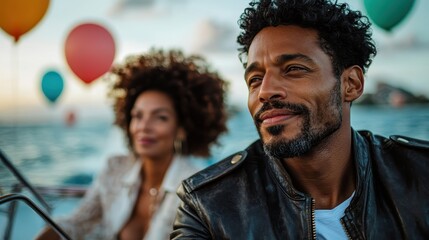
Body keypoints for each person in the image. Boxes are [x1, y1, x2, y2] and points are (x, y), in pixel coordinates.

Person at [171, 0, 429, 239]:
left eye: (294, 69)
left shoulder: (420, 174)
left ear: (351, 84)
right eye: (255, 79)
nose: (265, 92)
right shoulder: (208, 206)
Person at [36, 49, 228, 240]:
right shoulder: (114, 168)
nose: (143, 126)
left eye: (160, 117)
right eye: (137, 116)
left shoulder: (196, 188)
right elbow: (76, 223)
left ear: (181, 129)